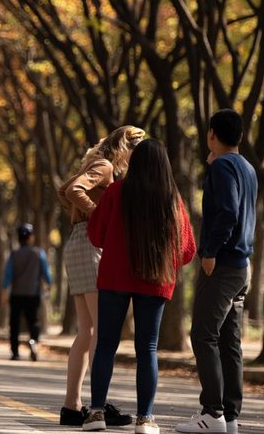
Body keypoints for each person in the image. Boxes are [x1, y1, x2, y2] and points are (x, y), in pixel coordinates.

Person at [83, 139, 196, 434]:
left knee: (106, 343)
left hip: (114, 277)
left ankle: (96, 413)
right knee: (147, 347)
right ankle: (145, 419)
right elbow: (187, 250)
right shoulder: (173, 199)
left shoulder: (116, 192)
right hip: (154, 279)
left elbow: (95, 235)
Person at [58, 126, 146, 427]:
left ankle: (72, 406)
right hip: (90, 243)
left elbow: (64, 189)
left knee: (88, 331)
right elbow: (72, 190)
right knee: (102, 328)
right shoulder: (104, 165)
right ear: (127, 149)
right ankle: (97, 404)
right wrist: (97, 213)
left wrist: (81, 215)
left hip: (79, 242)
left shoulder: (95, 163)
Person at [175, 111, 256, 434]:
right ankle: (230, 416)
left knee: (203, 334)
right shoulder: (246, 167)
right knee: (228, 340)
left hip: (222, 264)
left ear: (211, 134)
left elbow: (227, 211)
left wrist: (209, 252)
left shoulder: (223, 166)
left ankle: (212, 412)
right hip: (241, 266)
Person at [3, 223, 51, 361]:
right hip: (33, 293)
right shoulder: (38, 253)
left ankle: (15, 352)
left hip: (17, 293)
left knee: (14, 323)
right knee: (33, 321)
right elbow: (46, 273)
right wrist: (49, 284)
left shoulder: (14, 254)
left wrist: (4, 291)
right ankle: (33, 341)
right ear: (30, 237)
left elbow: (7, 275)